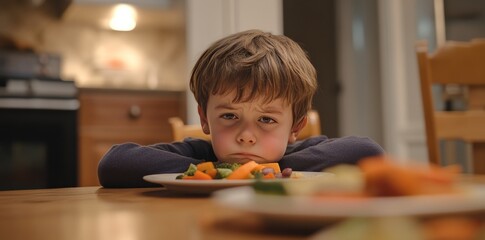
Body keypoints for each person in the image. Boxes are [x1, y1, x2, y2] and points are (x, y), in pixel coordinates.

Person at [98, 29, 384, 187]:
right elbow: (114, 163)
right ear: (204, 118)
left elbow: (367, 152)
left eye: (267, 120)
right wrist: (219, 173)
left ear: (295, 126)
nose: (246, 135)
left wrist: (261, 172)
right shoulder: (199, 155)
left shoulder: (300, 156)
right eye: (230, 116)